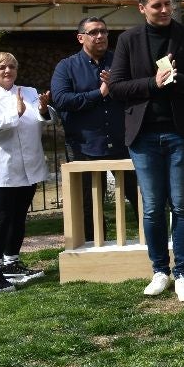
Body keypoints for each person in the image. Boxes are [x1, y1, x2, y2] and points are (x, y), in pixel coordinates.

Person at [110, 0, 184, 302]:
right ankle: (159, 271)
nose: (165, 10)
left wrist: (176, 80)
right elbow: (118, 88)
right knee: (152, 208)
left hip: (180, 133)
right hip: (144, 136)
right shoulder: (128, 40)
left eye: (167, 4)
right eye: (157, 5)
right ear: (142, 8)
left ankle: (182, 273)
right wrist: (153, 83)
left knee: (181, 205)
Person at [50, 16, 137, 241]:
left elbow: (137, 92)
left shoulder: (121, 62)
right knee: (89, 202)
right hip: (85, 145)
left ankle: (153, 246)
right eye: (94, 32)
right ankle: (93, 247)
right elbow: (61, 100)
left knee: (141, 196)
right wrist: (99, 93)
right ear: (81, 38)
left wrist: (117, 88)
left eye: (104, 31)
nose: (100, 36)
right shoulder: (66, 67)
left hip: (124, 142)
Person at [0, 52, 50, 295]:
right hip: (1, 169)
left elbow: (44, 119)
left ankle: (12, 264)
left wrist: (45, 109)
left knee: (19, 217)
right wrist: (14, 114)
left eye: (12, 67)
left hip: (29, 165)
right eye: (2, 67)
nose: (7, 71)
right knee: (1, 219)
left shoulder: (28, 91)